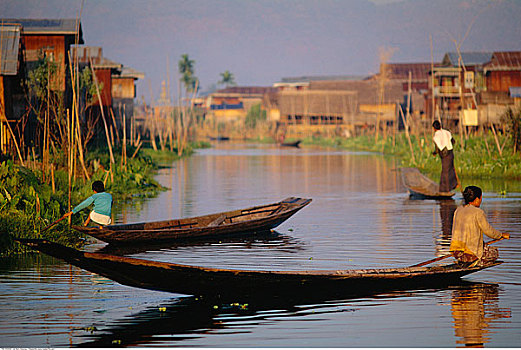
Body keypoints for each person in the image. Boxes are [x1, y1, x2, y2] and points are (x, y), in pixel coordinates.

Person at [450, 186, 509, 266]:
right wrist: (501, 235)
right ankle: (476, 262)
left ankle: (463, 260)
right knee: (494, 252)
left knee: (482, 244)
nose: (481, 200)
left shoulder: (458, 210)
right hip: (470, 254)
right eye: (481, 198)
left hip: (456, 252)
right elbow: (489, 231)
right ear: (477, 199)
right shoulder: (478, 212)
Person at [432, 120, 458, 192]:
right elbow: (453, 141)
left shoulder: (436, 136)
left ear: (434, 128)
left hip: (445, 155)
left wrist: (434, 153)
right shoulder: (447, 132)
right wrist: (448, 145)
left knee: (445, 172)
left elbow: (438, 148)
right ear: (440, 126)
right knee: (451, 169)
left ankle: (445, 190)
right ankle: (453, 185)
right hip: (451, 152)